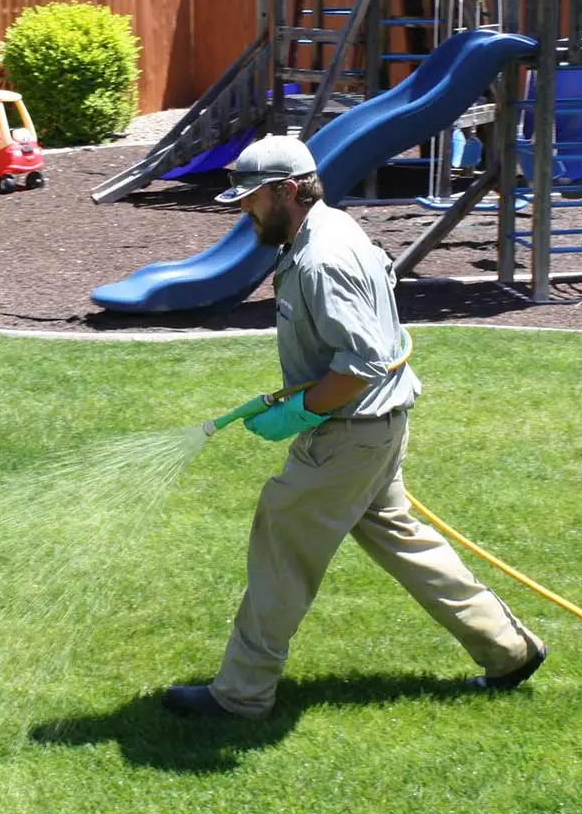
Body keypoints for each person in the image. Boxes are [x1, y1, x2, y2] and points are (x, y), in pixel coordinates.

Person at [162, 135, 547, 719]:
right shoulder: (329, 227)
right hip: (379, 427)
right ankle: (508, 650)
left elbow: (361, 365)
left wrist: (301, 412)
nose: (243, 209)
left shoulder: (322, 259)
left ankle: (240, 696)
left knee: (280, 548)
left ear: (287, 191)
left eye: (251, 197)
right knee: (405, 541)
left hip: (349, 433)